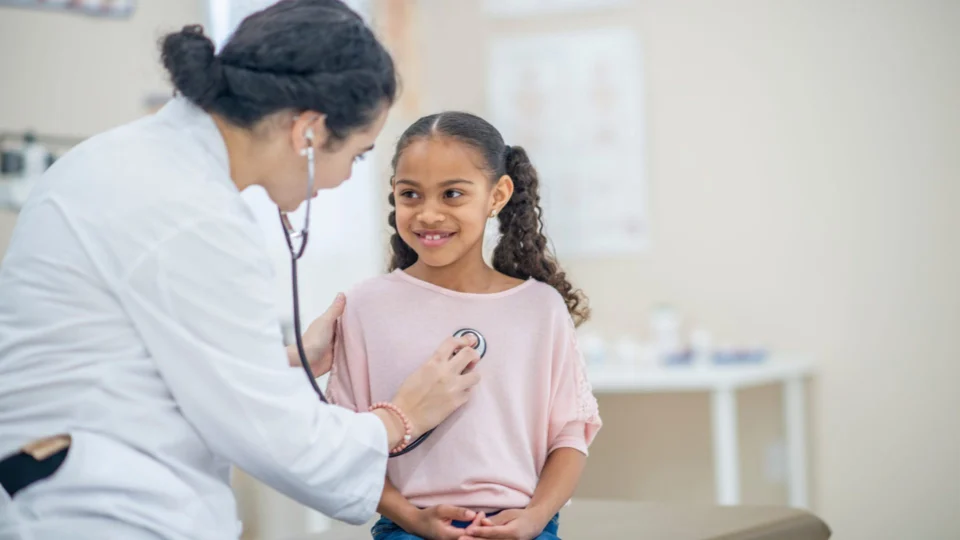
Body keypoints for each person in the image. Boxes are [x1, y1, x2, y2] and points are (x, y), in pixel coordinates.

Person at [0, 2, 482, 539]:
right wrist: (403, 415)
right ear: (308, 131)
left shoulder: (131, 164)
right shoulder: (188, 212)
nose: (347, 177)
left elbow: (142, 366)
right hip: (100, 515)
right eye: (360, 154)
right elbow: (275, 437)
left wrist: (294, 359)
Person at [326, 112, 603, 540]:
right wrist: (411, 517)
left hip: (523, 526)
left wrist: (533, 519)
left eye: (452, 194)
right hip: (408, 526)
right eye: (410, 194)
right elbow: (348, 440)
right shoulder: (364, 305)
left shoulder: (540, 308)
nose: (429, 214)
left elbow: (570, 435)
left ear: (498, 196)